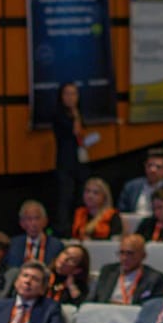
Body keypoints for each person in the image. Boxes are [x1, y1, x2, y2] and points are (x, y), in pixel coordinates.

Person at [52, 81, 88, 236]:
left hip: (80, 160)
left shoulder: (81, 112)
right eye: (67, 94)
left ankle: (78, 226)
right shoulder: (58, 115)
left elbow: (81, 134)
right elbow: (75, 131)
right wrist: (75, 114)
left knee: (80, 195)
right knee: (65, 196)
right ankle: (63, 230)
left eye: (74, 94)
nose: (71, 97)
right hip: (65, 161)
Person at [89, 234, 163, 305]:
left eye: (130, 253)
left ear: (143, 255)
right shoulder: (108, 271)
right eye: (122, 253)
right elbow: (92, 301)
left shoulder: (154, 278)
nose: (124, 258)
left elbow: (153, 309)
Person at [8, 200, 64, 268]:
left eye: (37, 218)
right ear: (21, 223)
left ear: (45, 221)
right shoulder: (13, 244)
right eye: (29, 219)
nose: (34, 223)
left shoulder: (56, 245)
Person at [118, 148, 163, 214]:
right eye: (149, 165)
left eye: (158, 167)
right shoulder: (131, 187)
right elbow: (122, 213)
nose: (153, 170)